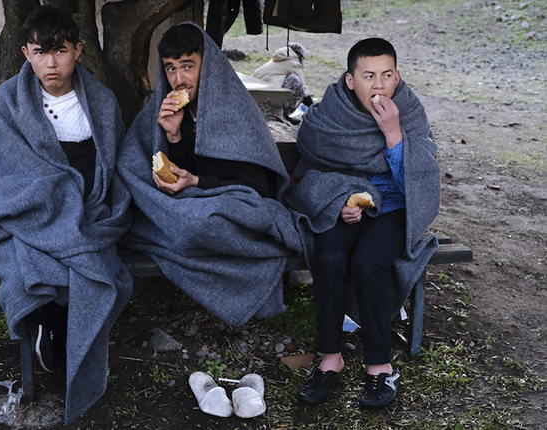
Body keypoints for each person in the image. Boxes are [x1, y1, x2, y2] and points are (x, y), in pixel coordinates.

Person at [0, 6, 132, 424]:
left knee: (90, 260)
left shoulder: (100, 102)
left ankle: (62, 330)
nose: (51, 63)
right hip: (29, 205)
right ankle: (48, 321)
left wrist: (78, 199)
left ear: (78, 51)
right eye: (40, 52)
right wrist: (45, 195)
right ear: (26, 53)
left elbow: (111, 166)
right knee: (27, 254)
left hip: (86, 205)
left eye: (60, 51)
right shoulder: (11, 99)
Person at [284, 38, 440, 409]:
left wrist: (393, 133)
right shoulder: (329, 114)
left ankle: (379, 365)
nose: (379, 85)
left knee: (369, 263)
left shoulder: (408, 110)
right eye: (368, 76)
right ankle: (330, 358)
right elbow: (312, 168)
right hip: (344, 205)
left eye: (387, 75)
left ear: (397, 77)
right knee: (330, 258)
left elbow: (419, 180)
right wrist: (338, 200)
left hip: (392, 209)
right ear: (351, 80)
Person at [117, 23, 301, 329]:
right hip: (194, 203)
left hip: (240, 202)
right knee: (167, 219)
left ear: (209, 65)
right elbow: (143, 161)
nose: (179, 79)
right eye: (171, 68)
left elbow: (257, 187)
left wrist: (195, 182)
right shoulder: (166, 107)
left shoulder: (236, 109)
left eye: (188, 66)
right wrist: (173, 135)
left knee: (197, 224)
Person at [251, 43, 314, 119]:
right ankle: (283, 114)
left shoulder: (277, 59)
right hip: (270, 100)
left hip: (256, 98)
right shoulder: (293, 63)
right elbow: (304, 90)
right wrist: (313, 107)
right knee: (295, 80)